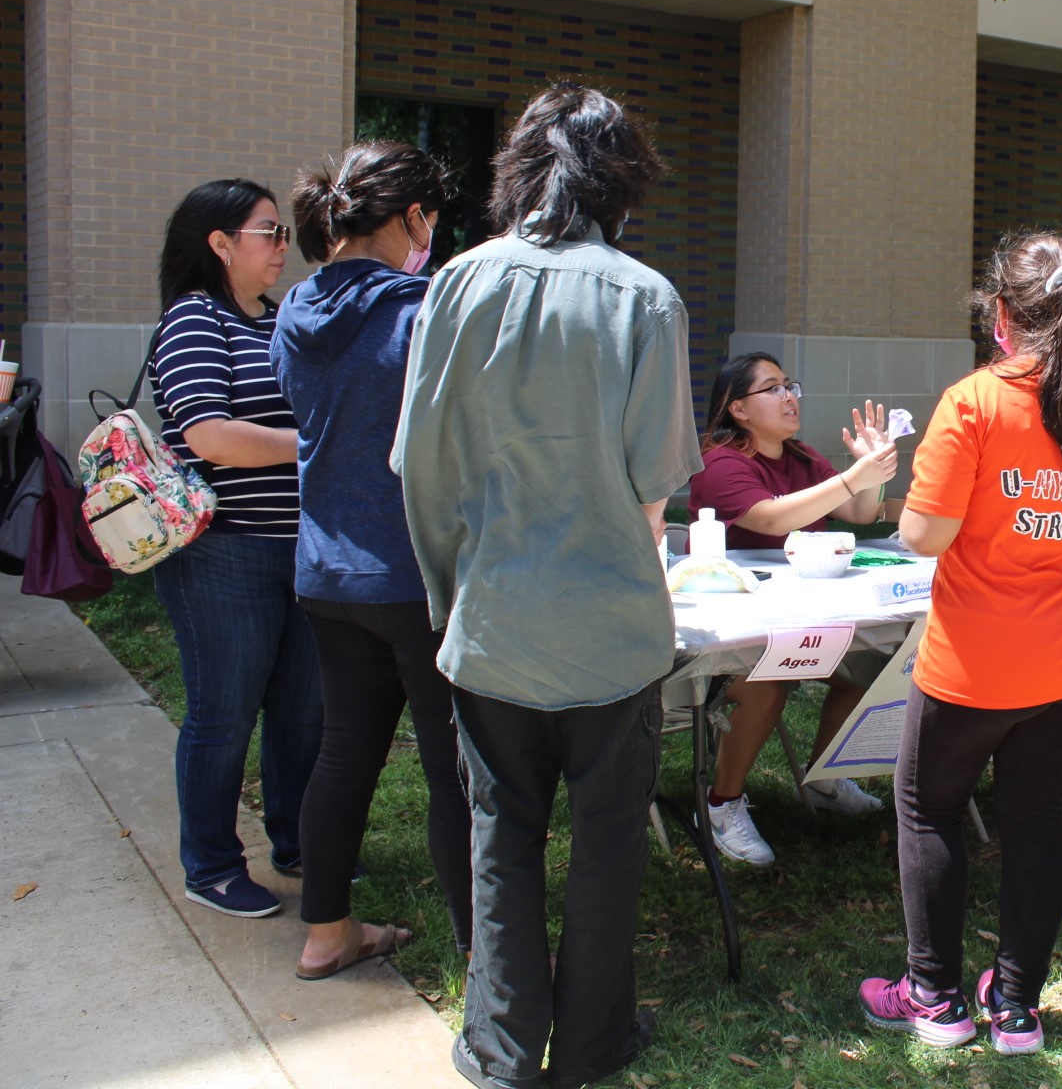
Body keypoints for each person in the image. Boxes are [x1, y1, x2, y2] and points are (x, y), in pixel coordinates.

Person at [393, 83, 702, 1089]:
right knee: (610, 841)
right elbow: (654, 491)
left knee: (501, 834)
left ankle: (502, 1047)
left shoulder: (453, 283)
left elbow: (422, 471)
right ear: (624, 176)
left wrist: (455, 599)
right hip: (614, 628)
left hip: (494, 620)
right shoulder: (647, 296)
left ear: (519, 168)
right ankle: (593, 1041)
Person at [859, 232, 1062, 1055]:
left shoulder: (974, 402)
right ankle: (1018, 1009)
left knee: (928, 810)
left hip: (975, 663)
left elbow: (925, 535)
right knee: (1036, 821)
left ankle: (934, 998)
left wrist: (892, 484)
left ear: (1002, 315)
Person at [271, 141, 470, 980]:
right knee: (455, 769)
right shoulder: (423, 310)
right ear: (411, 218)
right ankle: (484, 953)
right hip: (416, 575)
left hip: (325, 572)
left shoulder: (294, 308)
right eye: (433, 218)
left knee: (345, 750)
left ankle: (326, 932)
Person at [149, 180, 322, 919]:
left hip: (303, 551)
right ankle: (212, 863)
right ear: (220, 244)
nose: (283, 245)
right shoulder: (193, 320)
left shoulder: (282, 322)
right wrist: (318, 445)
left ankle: (296, 839)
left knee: (301, 711)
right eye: (269, 231)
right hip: (223, 553)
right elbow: (209, 435)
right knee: (224, 712)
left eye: (284, 233)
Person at [688, 352, 900, 865]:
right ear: (738, 408)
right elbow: (768, 518)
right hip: (731, 631)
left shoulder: (802, 458)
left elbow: (860, 513)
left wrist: (872, 468)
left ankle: (825, 781)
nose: (789, 397)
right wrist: (852, 478)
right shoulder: (719, 462)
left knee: (867, 672)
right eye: (773, 388)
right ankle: (720, 804)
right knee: (768, 687)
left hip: (805, 618)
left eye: (790, 385)